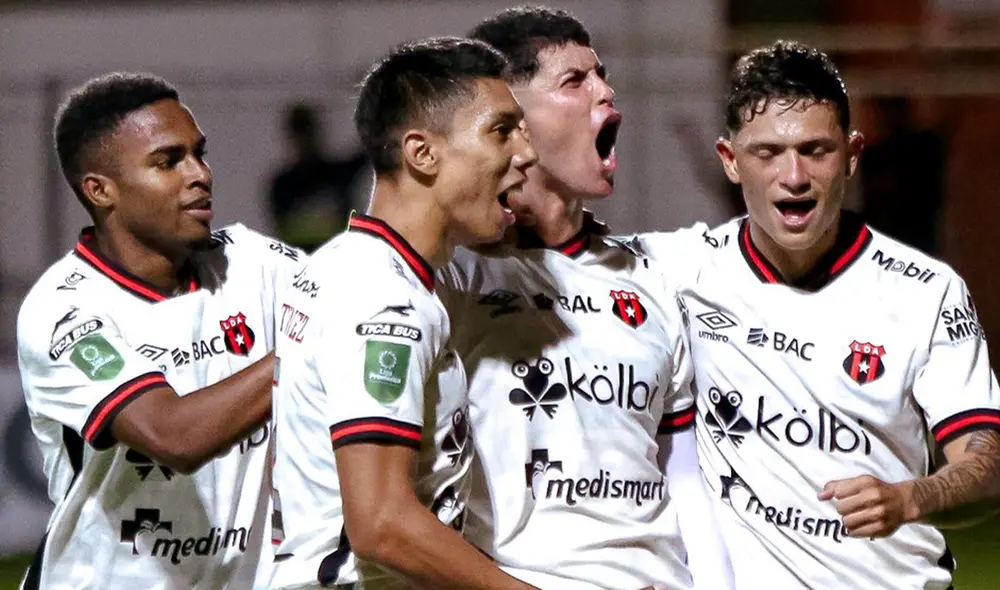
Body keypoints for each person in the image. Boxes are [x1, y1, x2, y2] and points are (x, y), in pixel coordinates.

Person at [664, 40, 1000, 588]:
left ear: (852, 153)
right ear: (729, 160)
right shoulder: (680, 273)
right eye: (768, 152)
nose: (793, 176)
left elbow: (988, 462)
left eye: (816, 150)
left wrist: (910, 497)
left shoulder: (927, 291)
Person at [434, 7, 732, 589]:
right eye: (575, 81)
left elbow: (683, 476)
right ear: (508, 119)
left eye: (601, 74)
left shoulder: (657, 276)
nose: (605, 91)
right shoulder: (447, 284)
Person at [268, 37, 538, 590]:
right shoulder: (383, 297)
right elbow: (381, 523)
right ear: (422, 153)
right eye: (501, 130)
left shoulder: (347, 267)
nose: (525, 154)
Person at [16, 73, 302, 589]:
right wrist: (309, 347)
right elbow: (173, 435)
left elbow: (362, 307)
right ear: (101, 190)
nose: (200, 174)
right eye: (168, 161)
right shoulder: (65, 310)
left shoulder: (255, 263)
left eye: (200, 153)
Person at [268, 102, 368, 253]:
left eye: (307, 132)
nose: (304, 140)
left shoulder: (338, 174)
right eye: (300, 133)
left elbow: (371, 145)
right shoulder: (283, 185)